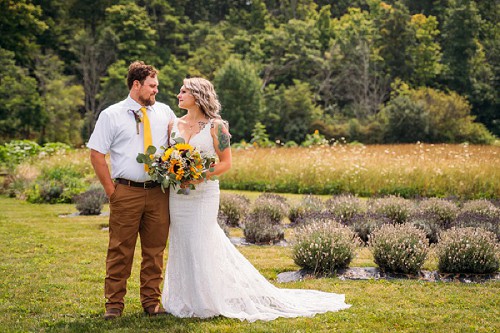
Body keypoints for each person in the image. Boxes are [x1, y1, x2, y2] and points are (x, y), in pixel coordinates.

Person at [161, 77, 351, 322]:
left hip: (204, 194)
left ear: (198, 96)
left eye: (183, 91)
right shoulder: (173, 124)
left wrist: (199, 174)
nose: (178, 95)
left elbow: (226, 163)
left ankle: (205, 298)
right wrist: (173, 170)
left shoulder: (216, 126)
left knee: (200, 239)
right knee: (182, 240)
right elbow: (168, 156)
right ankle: (185, 297)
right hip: (178, 195)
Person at [87, 61, 176, 320]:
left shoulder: (165, 112)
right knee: (120, 249)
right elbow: (96, 154)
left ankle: (151, 303)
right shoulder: (111, 115)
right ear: (136, 85)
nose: (156, 91)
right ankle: (114, 305)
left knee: (155, 250)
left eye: (156, 86)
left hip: (159, 193)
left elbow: (178, 143)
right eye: (152, 86)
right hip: (125, 191)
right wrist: (111, 191)